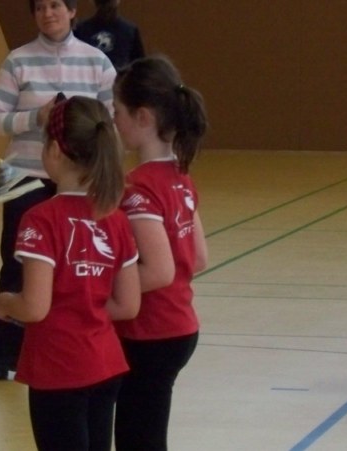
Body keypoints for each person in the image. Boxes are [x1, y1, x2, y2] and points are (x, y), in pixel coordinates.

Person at [0, 0, 116, 384]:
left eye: (55, 5)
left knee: (78, 267)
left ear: (72, 11)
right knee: (16, 264)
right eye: (39, 7)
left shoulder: (97, 62)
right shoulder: (17, 61)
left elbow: (110, 123)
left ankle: (68, 348)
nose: (47, 13)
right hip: (25, 178)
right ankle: (2, 357)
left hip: (80, 180)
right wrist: (34, 117)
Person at [0, 96, 140, 451]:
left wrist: (5, 302)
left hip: (58, 368)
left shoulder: (41, 219)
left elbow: (35, 307)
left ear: (55, 150)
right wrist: (84, 309)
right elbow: (128, 305)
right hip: (104, 363)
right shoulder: (115, 217)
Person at [112, 55, 209, 451]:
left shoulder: (139, 186)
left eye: (117, 111)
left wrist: (99, 293)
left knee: (137, 438)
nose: (114, 120)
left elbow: (159, 271)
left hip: (151, 333)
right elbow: (198, 259)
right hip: (180, 326)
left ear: (143, 117)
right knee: (147, 433)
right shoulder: (180, 176)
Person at [75, 0, 145, 69]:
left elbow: (140, 67)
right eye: (103, 4)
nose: (106, 9)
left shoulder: (129, 30)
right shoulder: (80, 30)